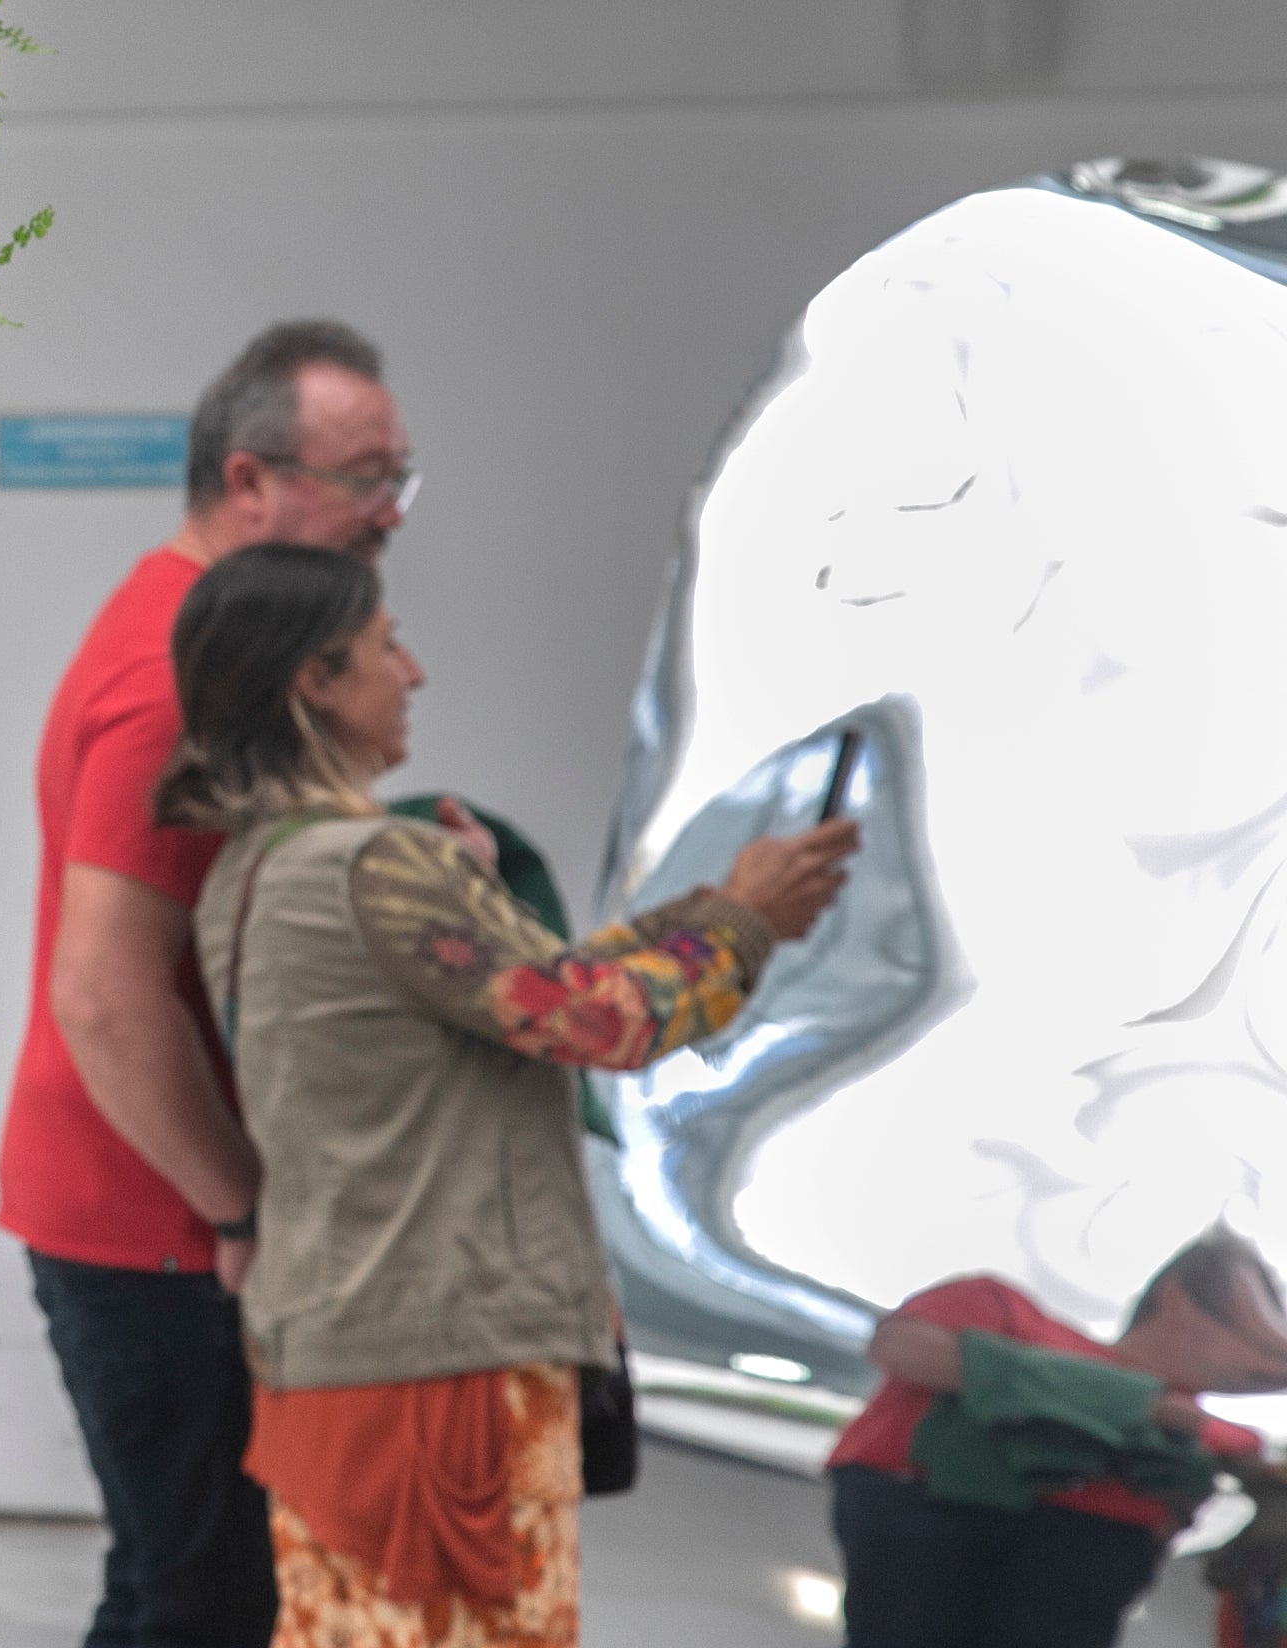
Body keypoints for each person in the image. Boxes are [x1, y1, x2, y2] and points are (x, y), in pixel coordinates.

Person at [163, 543, 855, 1648]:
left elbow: (541, 994)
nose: (415, 670)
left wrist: (724, 907)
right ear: (317, 682)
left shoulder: (257, 869)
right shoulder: (381, 865)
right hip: (441, 1372)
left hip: (342, 1358)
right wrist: (743, 921)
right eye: (387, 644)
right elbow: (600, 1018)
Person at [0, 321, 412, 1648]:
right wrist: (241, 1206)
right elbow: (108, 998)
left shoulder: (200, 634)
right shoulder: (170, 678)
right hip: (160, 1221)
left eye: (402, 475)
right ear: (249, 484)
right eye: (362, 478)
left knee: (181, 1583)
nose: (388, 513)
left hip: (165, 1211)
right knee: (210, 1599)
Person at [828, 1231, 1287, 1648]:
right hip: (927, 1509)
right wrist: (1134, 1401)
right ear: (1176, 1300)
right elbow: (903, 1347)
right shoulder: (1002, 1310)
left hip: (1090, 1561)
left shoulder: (1210, 1436)